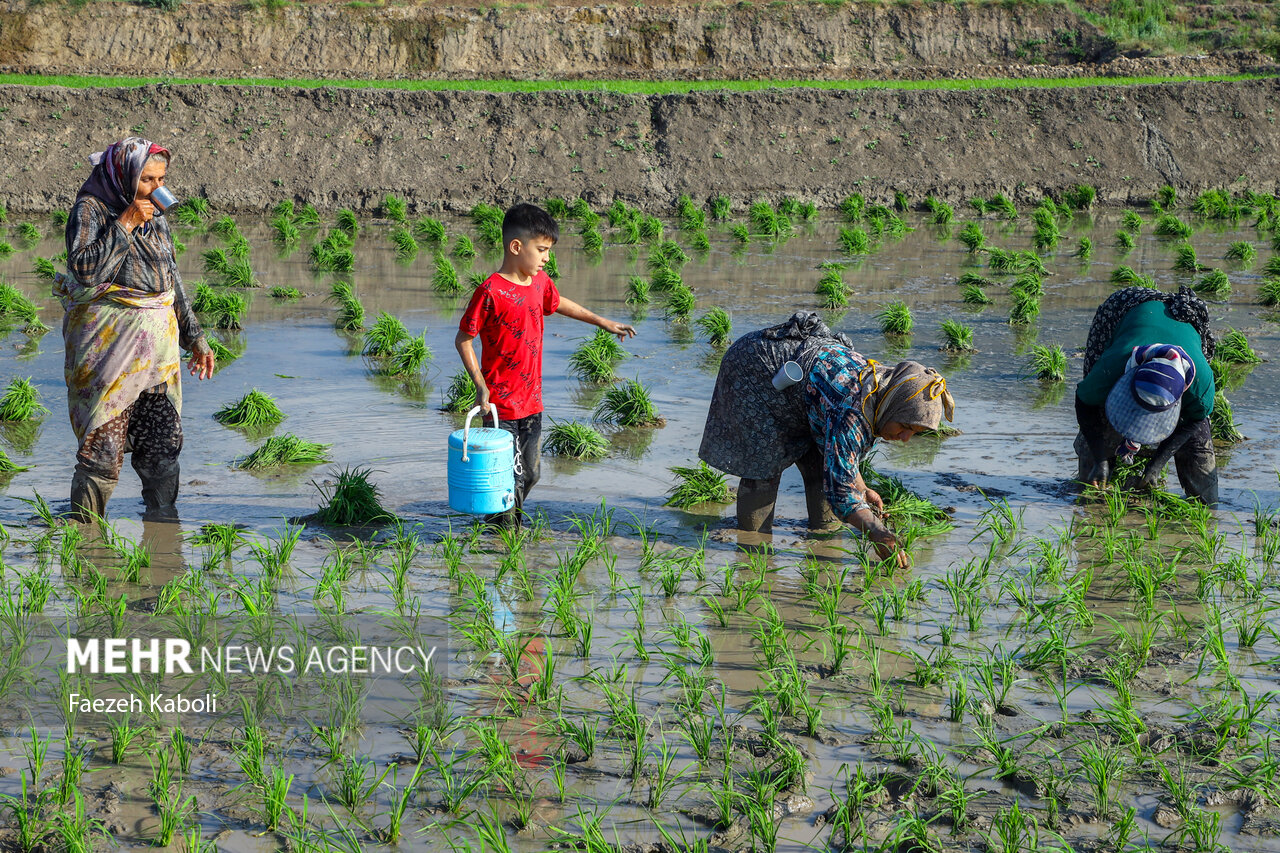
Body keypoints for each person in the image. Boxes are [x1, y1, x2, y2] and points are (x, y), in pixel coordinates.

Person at [699, 312, 955, 568]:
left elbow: (841, 458)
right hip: (756, 370)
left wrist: (862, 489)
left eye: (915, 432)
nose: (905, 438)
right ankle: (753, 554)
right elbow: (841, 489)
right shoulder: (854, 409)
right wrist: (877, 532)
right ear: (892, 408)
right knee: (764, 465)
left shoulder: (878, 395)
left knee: (820, 464)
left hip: (804, 392)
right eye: (905, 427)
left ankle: (823, 543)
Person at [59, 137, 215, 521]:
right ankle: (85, 534)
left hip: (158, 353)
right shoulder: (91, 209)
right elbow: (84, 270)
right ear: (123, 175)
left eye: (161, 179)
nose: (156, 188)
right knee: (102, 447)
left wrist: (195, 336)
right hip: (108, 349)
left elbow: (170, 278)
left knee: (162, 444)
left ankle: (164, 528)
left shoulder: (156, 214)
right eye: (147, 179)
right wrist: (126, 223)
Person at [455, 202, 635, 522]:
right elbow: (463, 339)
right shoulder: (491, 292)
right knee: (507, 479)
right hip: (500, 406)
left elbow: (558, 302)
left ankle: (498, 526)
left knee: (531, 474)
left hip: (532, 401)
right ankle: (504, 536)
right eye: (541, 250)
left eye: (548, 251)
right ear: (516, 247)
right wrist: (481, 388)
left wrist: (602, 321)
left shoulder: (539, 282)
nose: (546, 258)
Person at [1074, 285, 1217, 505]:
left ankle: (1206, 505)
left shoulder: (1200, 386)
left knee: (1199, 457)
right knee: (1096, 441)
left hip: (1179, 328)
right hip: (1125, 310)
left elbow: (1193, 420)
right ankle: (1092, 489)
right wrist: (1100, 459)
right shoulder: (1113, 367)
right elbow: (1085, 403)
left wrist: (1156, 465)